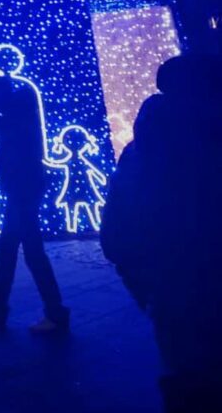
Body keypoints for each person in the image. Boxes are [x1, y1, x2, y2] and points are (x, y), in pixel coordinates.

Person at [101, 53, 222, 411]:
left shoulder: (142, 150)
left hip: (173, 288)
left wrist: (145, 286)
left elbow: (117, 231)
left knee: (185, 377)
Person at [0, 73, 69, 333]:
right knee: (9, 250)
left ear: (1, 94)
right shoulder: (18, 115)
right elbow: (8, 148)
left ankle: (56, 314)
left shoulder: (17, 116)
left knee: (32, 253)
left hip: (23, 191)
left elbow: (2, 135)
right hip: (22, 189)